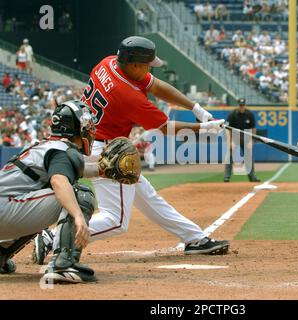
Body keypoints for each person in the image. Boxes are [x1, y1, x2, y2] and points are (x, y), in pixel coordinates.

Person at [32, 36, 229, 265]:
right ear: (134, 64)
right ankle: (52, 238)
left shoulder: (108, 63)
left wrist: (196, 108)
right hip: (106, 149)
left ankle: (194, 238)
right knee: (116, 220)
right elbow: (164, 128)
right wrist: (204, 128)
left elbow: (156, 85)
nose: (149, 68)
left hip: (97, 140)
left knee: (148, 197)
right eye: (146, 64)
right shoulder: (127, 95)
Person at [0, 100, 97, 284]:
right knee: (78, 194)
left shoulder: (46, 146)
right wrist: (77, 215)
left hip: (6, 206)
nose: (90, 129)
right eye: (87, 125)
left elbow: (68, 170)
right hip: (5, 210)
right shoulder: (62, 150)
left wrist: (104, 169)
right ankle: (63, 265)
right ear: (76, 127)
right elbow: (58, 180)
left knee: (53, 194)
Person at [224, 98, 260, 183]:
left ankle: (252, 177)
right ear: (238, 106)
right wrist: (230, 141)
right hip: (235, 136)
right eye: (240, 105)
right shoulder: (232, 114)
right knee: (229, 156)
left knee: (248, 157)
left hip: (247, 136)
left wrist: (252, 140)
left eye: (243, 105)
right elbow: (227, 129)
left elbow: (253, 128)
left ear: (245, 105)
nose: (242, 107)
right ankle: (226, 177)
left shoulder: (249, 114)